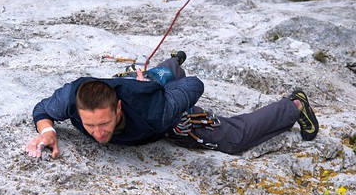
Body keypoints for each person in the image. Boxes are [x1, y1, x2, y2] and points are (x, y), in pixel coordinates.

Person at [25, 51, 318, 158]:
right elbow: (42, 109)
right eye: (89, 125)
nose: (97, 134)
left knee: (233, 139)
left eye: (104, 125)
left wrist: (163, 99)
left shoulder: (156, 112)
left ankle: (294, 105)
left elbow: (194, 86)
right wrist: (48, 130)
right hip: (130, 86)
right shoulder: (72, 98)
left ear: (117, 110)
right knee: (152, 78)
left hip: (159, 106)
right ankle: (173, 62)